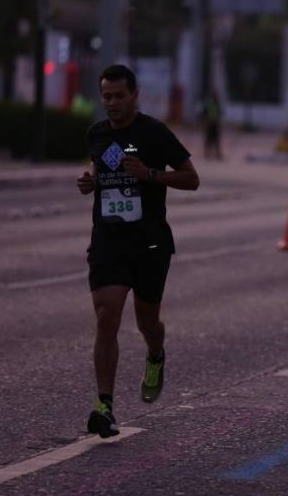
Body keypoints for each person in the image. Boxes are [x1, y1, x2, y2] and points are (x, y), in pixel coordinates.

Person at [76, 64, 200, 438]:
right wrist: (90, 182)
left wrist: (150, 175)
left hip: (149, 242)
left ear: (134, 95)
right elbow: (99, 170)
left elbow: (191, 178)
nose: (112, 103)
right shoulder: (96, 134)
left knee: (147, 322)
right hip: (108, 241)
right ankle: (104, 405)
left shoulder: (153, 132)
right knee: (106, 317)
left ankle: (156, 353)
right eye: (106, 96)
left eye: (119, 96)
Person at [203, 91, 223, 160]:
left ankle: (215, 154)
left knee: (215, 140)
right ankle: (208, 153)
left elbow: (219, 113)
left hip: (214, 123)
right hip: (210, 124)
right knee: (210, 139)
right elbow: (205, 112)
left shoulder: (214, 103)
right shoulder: (211, 103)